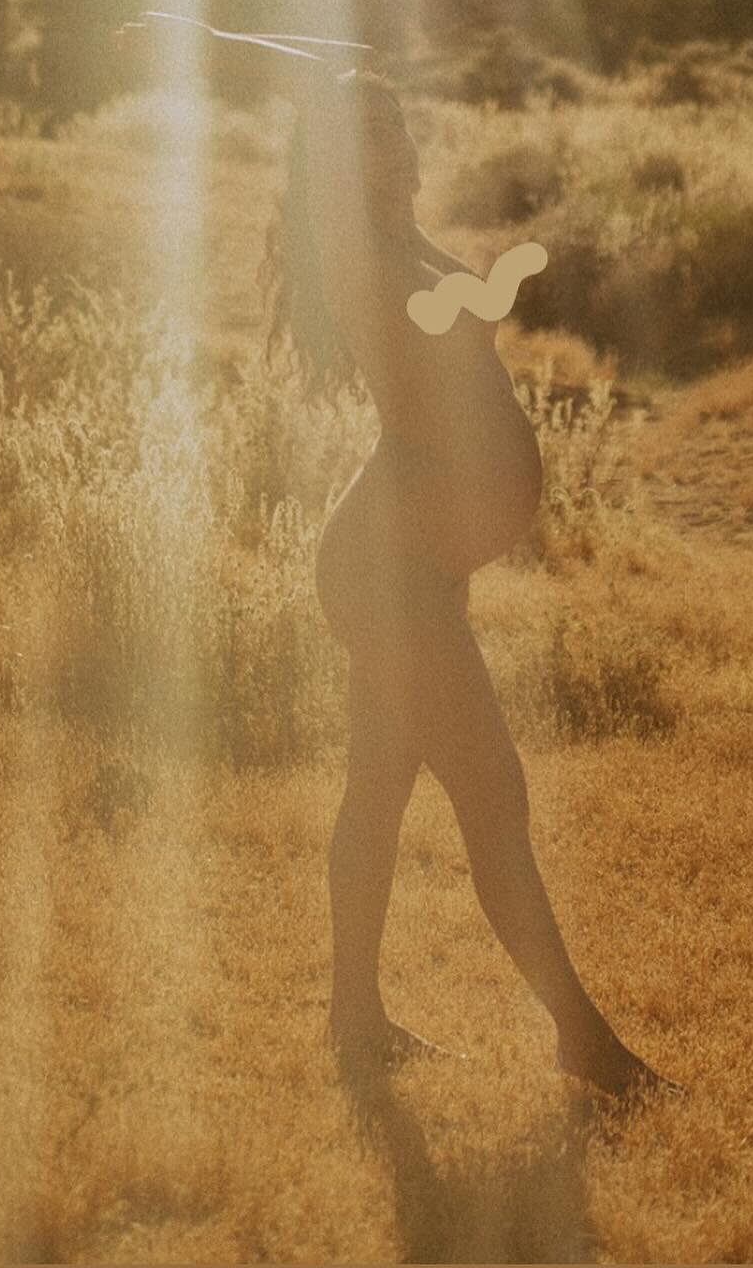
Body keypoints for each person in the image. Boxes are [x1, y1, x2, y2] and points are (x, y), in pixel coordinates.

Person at [261, 60, 681, 1103]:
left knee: (377, 790)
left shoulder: (398, 235)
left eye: (398, 127)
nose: (394, 150)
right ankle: (580, 1037)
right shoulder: (355, 247)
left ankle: (356, 1024)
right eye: (367, 137)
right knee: (494, 794)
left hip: (412, 565)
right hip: (390, 569)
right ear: (330, 162)